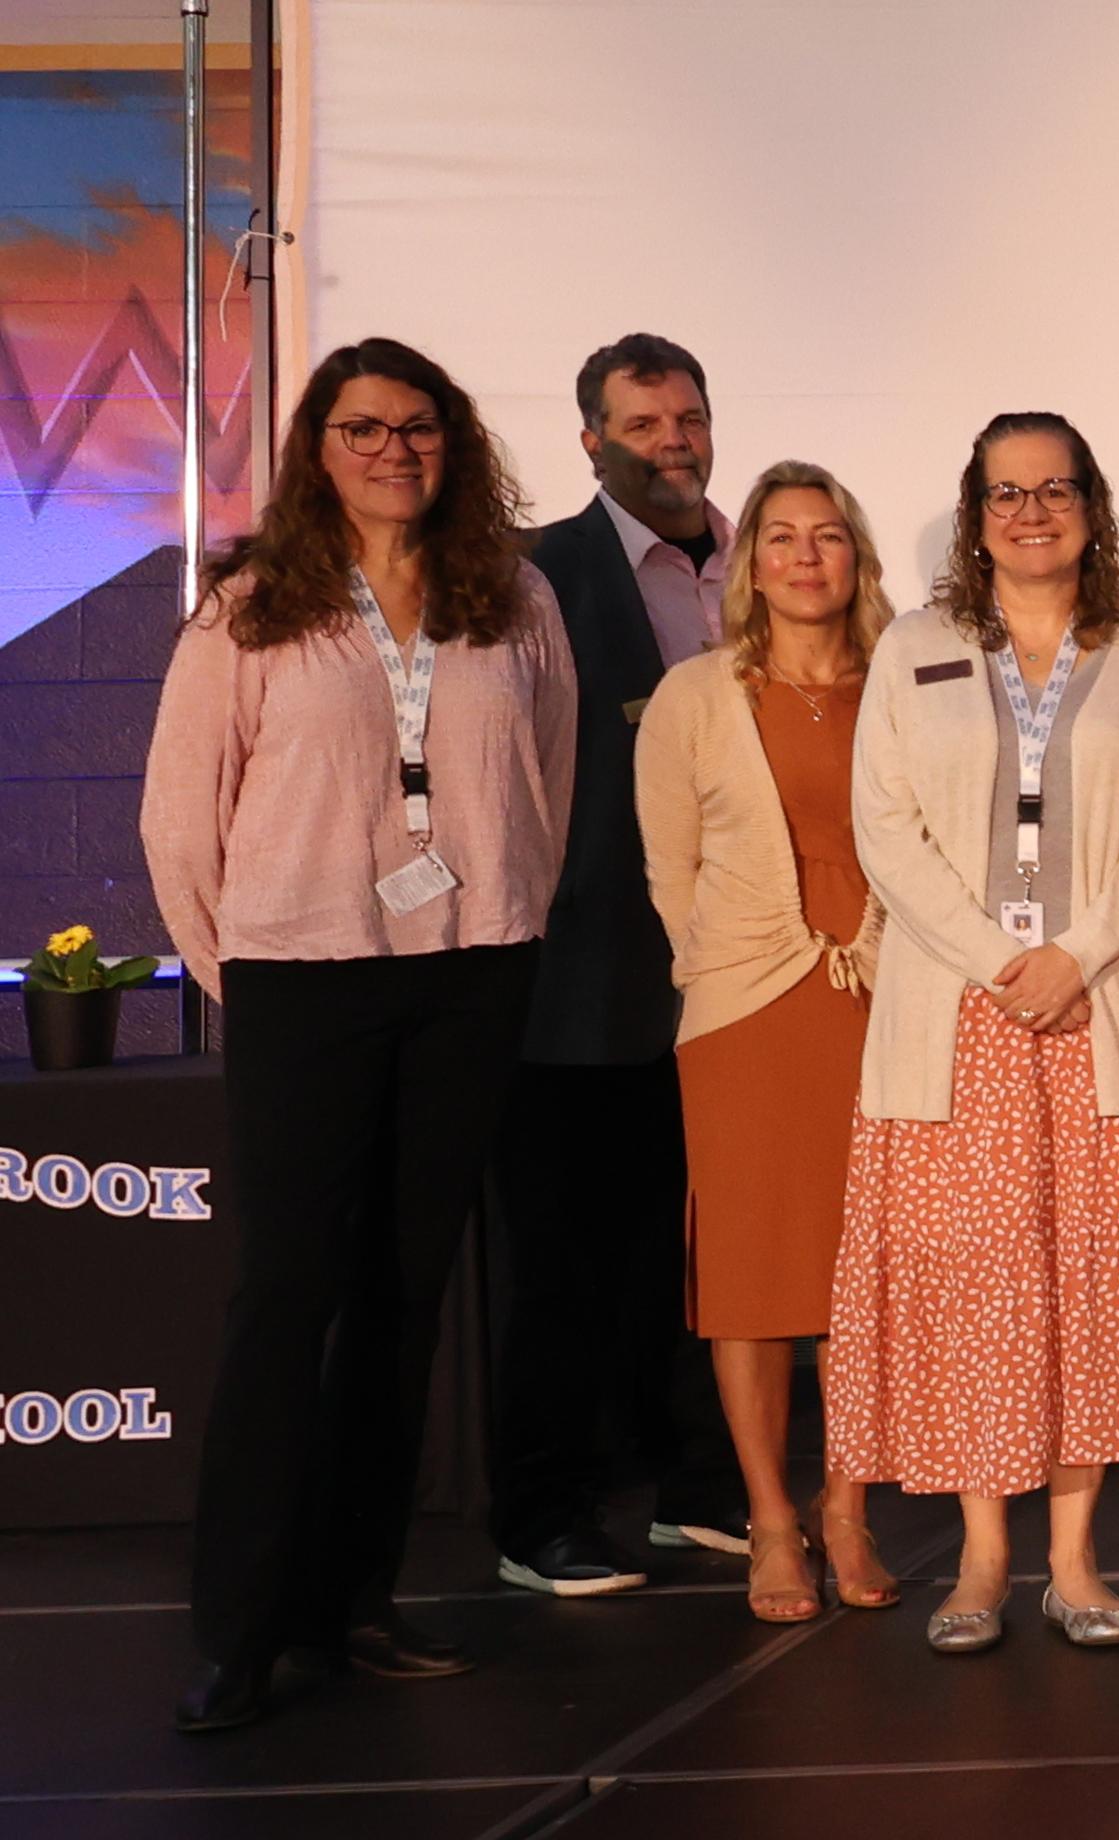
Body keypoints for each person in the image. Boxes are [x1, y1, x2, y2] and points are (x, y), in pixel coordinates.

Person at [146, 338, 574, 1731]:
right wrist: (245, 971)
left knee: (403, 1296)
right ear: (317, 448)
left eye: (419, 427)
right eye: (364, 428)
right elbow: (181, 813)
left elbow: (549, 772)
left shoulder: (512, 595)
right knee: (287, 1296)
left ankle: (354, 1603)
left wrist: (505, 910)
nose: (395, 450)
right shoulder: (252, 607)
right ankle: (240, 1628)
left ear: (455, 442)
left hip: (469, 971)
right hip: (301, 977)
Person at [825, 413, 1119, 1656]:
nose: (1030, 511)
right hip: (961, 1015)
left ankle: (1073, 1561)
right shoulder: (914, 645)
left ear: (1091, 506)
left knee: (1089, 1291)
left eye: (1054, 488)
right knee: (977, 1292)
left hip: (1101, 1004)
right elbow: (884, 829)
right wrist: (999, 959)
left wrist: (1076, 951)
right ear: (975, 514)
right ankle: (980, 1558)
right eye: (1005, 492)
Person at [493, 332, 743, 1596]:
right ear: (590, 441)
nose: (671, 443)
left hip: (750, 973)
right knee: (567, 1261)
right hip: (586, 976)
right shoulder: (537, 578)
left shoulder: (770, 563)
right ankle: (543, 1513)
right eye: (642, 425)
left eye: (686, 418)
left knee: (719, 1246)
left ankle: (702, 1488)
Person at [634, 461, 899, 1624]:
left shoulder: (903, 685)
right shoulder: (694, 694)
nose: (804, 556)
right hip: (744, 1011)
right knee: (749, 1278)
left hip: (883, 1002)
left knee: (860, 1272)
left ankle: (847, 1508)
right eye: (781, 536)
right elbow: (670, 868)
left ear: (856, 558)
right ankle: (770, 1522)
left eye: (826, 535)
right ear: (750, 565)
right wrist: (733, 962)